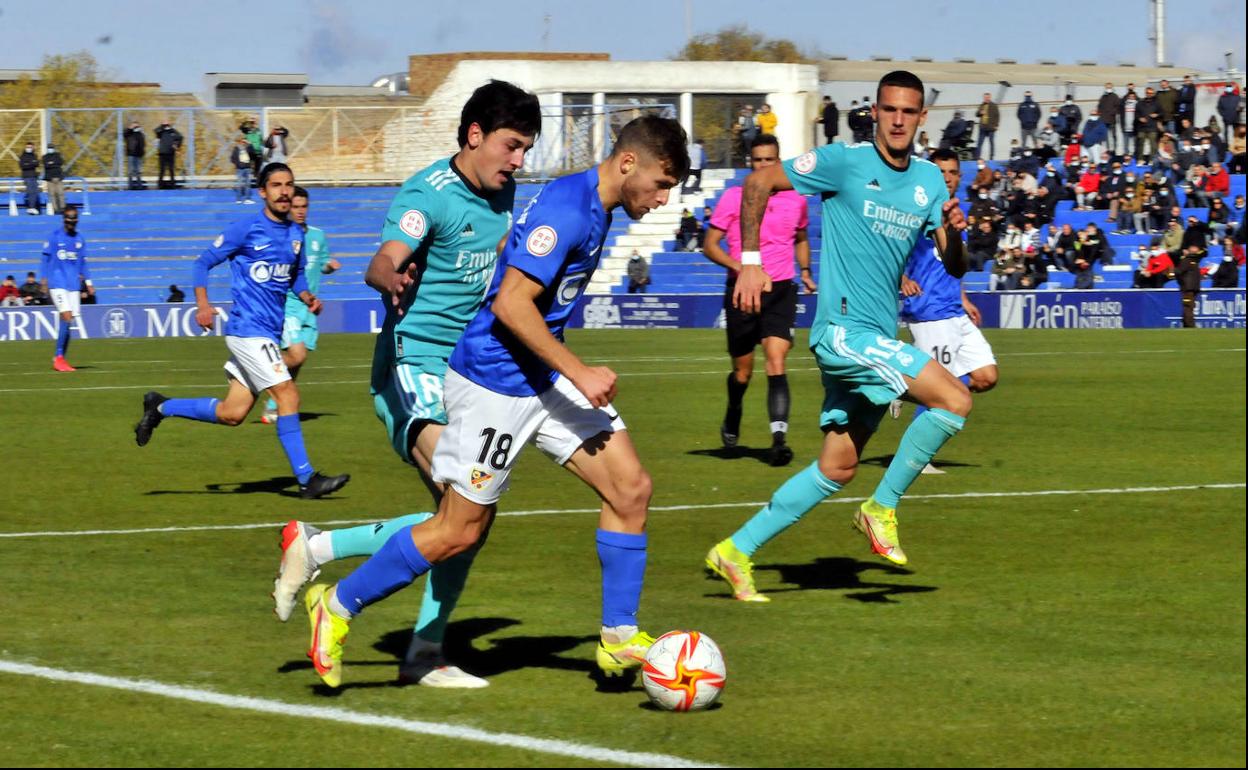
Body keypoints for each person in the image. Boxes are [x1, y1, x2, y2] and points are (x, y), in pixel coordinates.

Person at [298, 115, 689, 689]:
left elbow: (516, 255)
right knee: (458, 530)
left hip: (539, 379)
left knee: (630, 487)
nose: (662, 200)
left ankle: (617, 638)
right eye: (660, 184)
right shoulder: (570, 208)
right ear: (628, 164)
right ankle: (335, 606)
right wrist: (578, 370)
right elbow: (510, 304)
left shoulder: (591, 206)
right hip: (494, 384)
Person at [273, 81, 543, 688]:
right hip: (411, 364)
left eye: (525, 149)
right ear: (474, 136)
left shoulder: (504, 195)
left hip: (466, 372)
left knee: (466, 522)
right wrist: (391, 278)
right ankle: (359, 613)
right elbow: (384, 258)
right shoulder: (428, 193)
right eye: (511, 146)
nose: (519, 160)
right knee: (463, 506)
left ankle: (327, 557)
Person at [708, 70, 969, 603]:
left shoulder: (927, 183)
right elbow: (757, 183)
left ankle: (735, 551)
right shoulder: (844, 162)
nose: (898, 119)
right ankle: (883, 509)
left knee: (839, 466)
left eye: (908, 111)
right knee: (954, 398)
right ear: (876, 112)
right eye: (889, 109)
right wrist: (752, 262)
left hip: (875, 334)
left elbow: (955, 262)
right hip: (842, 333)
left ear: (922, 118)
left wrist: (955, 229)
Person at [131, 163, 349, 500]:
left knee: (232, 413)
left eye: (289, 185)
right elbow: (202, 262)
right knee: (288, 395)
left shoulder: (295, 235)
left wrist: (306, 296)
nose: (284, 191)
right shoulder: (246, 229)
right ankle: (307, 480)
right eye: (276, 185)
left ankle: (159, 407)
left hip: (267, 333)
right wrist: (203, 305)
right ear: (263, 192)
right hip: (249, 330)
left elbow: (296, 277)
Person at [702, 133, 813, 466]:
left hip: (780, 289)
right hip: (742, 290)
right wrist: (744, 267)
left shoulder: (797, 199)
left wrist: (805, 270)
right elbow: (709, 245)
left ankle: (778, 440)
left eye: (769, 160)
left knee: (776, 359)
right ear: (750, 163)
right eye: (757, 160)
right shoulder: (734, 197)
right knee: (743, 373)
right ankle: (734, 409)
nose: (763, 165)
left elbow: (802, 238)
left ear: (779, 162)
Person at [897, 148, 998, 475]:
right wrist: (902, 278)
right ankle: (918, 457)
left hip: (954, 309)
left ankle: (903, 385)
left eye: (953, 172)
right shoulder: (915, 213)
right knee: (942, 390)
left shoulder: (955, 214)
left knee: (986, 376)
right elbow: (886, 248)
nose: (948, 178)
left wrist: (964, 297)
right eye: (941, 172)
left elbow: (952, 266)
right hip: (929, 313)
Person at [261, 186, 341, 423]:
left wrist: (328, 267)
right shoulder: (283, 236)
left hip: (310, 306)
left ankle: (273, 406)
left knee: (297, 363)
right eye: (295, 207)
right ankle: (255, 365)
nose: (300, 211)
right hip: (289, 303)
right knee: (297, 355)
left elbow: (322, 263)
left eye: (303, 206)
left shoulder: (317, 236)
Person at [41, 206, 92, 371]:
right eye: (69, 218)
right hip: (58, 283)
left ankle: (60, 357)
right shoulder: (55, 237)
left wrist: (89, 283)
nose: (71, 221)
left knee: (68, 322)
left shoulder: (80, 239)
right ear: (64, 219)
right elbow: (45, 259)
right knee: (67, 317)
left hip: (73, 285)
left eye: (74, 218)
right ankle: (59, 357)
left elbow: (83, 262)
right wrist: (44, 280)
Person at [155, 119, 182, 189]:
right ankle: (160, 185)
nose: (166, 124)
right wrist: (162, 125)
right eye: (165, 123)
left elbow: (180, 137)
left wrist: (177, 145)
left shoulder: (173, 131)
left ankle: (173, 185)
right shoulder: (161, 132)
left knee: (171, 169)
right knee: (162, 170)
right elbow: (156, 130)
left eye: (167, 123)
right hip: (162, 153)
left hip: (170, 153)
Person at [42, 144, 66, 215]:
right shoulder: (45, 157)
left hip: (58, 177)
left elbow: (60, 163)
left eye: (51, 148)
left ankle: (62, 208)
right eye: (49, 148)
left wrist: (51, 164)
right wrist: (54, 163)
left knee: (60, 193)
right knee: (52, 194)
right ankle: (55, 209)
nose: (50, 149)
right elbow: (46, 165)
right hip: (49, 178)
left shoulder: (58, 155)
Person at [976, 92, 1000, 160]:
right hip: (982, 127)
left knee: (991, 143)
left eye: (987, 97)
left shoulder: (994, 105)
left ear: (990, 97)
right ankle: (977, 157)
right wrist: (980, 112)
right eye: (985, 97)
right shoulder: (982, 105)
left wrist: (996, 125)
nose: (986, 99)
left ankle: (991, 157)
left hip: (991, 128)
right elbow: (976, 114)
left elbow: (997, 116)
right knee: (979, 143)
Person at [230, 137, 254, 204]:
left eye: (244, 141)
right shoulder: (236, 149)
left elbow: (253, 153)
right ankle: (239, 199)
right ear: (239, 142)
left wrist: (250, 144)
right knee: (239, 184)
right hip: (239, 168)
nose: (243, 143)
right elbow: (232, 158)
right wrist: (238, 164)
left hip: (247, 168)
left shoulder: (248, 148)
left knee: (248, 184)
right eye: (242, 141)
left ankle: (247, 199)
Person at [124, 121, 146, 190]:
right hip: (131, 154)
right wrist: (130, 128)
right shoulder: (129, 133)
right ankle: (130, 186)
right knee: (130, 171)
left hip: (138, 154)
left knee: (138, 171)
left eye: (137, 126)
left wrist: (142, 152)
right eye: (134, 125)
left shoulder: (140, 134)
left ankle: (139, 186)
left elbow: (143, 143)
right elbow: (125, 134)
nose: (136, 127)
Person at [19, 142, 40, 214]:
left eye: (30, 147)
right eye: (27, 147)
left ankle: (33, 207)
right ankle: (31, 207)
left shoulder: (34, 155)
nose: (29, 148)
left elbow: (37, 164)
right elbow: (23, 166)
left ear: (33, 147)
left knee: (35, 192)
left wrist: (29, 164)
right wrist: (32, 163)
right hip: (27, 176)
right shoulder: (23, 156)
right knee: (30, 192)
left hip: (34, 176)